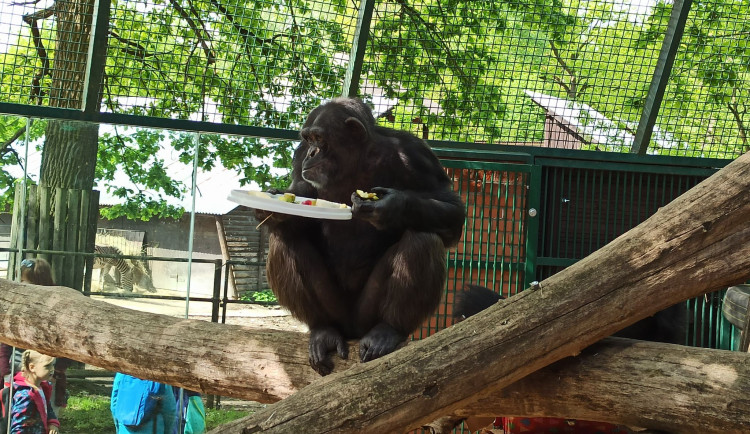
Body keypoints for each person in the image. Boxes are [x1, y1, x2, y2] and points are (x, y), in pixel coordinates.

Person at [1, 258, 71, 414]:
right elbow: (4, 343)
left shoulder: (58, 307)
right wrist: (5, 372)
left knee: (46, 414)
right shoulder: (16, 305)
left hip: (47, 372)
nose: (22, 286)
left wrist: (56, 371)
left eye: (26, 282)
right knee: (16, 414)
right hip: (18, 370)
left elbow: (69, 343)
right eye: (21, 281)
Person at [8, 350, 60, 434]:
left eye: (53, 365)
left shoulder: (41, 387)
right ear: (32, 367)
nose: (52, 369)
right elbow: (18, 428)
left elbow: (47, 407)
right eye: (47, 366)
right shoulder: (25, 395)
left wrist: (52, 423)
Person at [111, 373, 176, 434]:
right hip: (153, 429)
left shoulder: (122, 373)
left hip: (125, 429)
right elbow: (169, 409)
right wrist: (167, 431)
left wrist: (118, 427)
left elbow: (114, 405)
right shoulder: (159, 376)